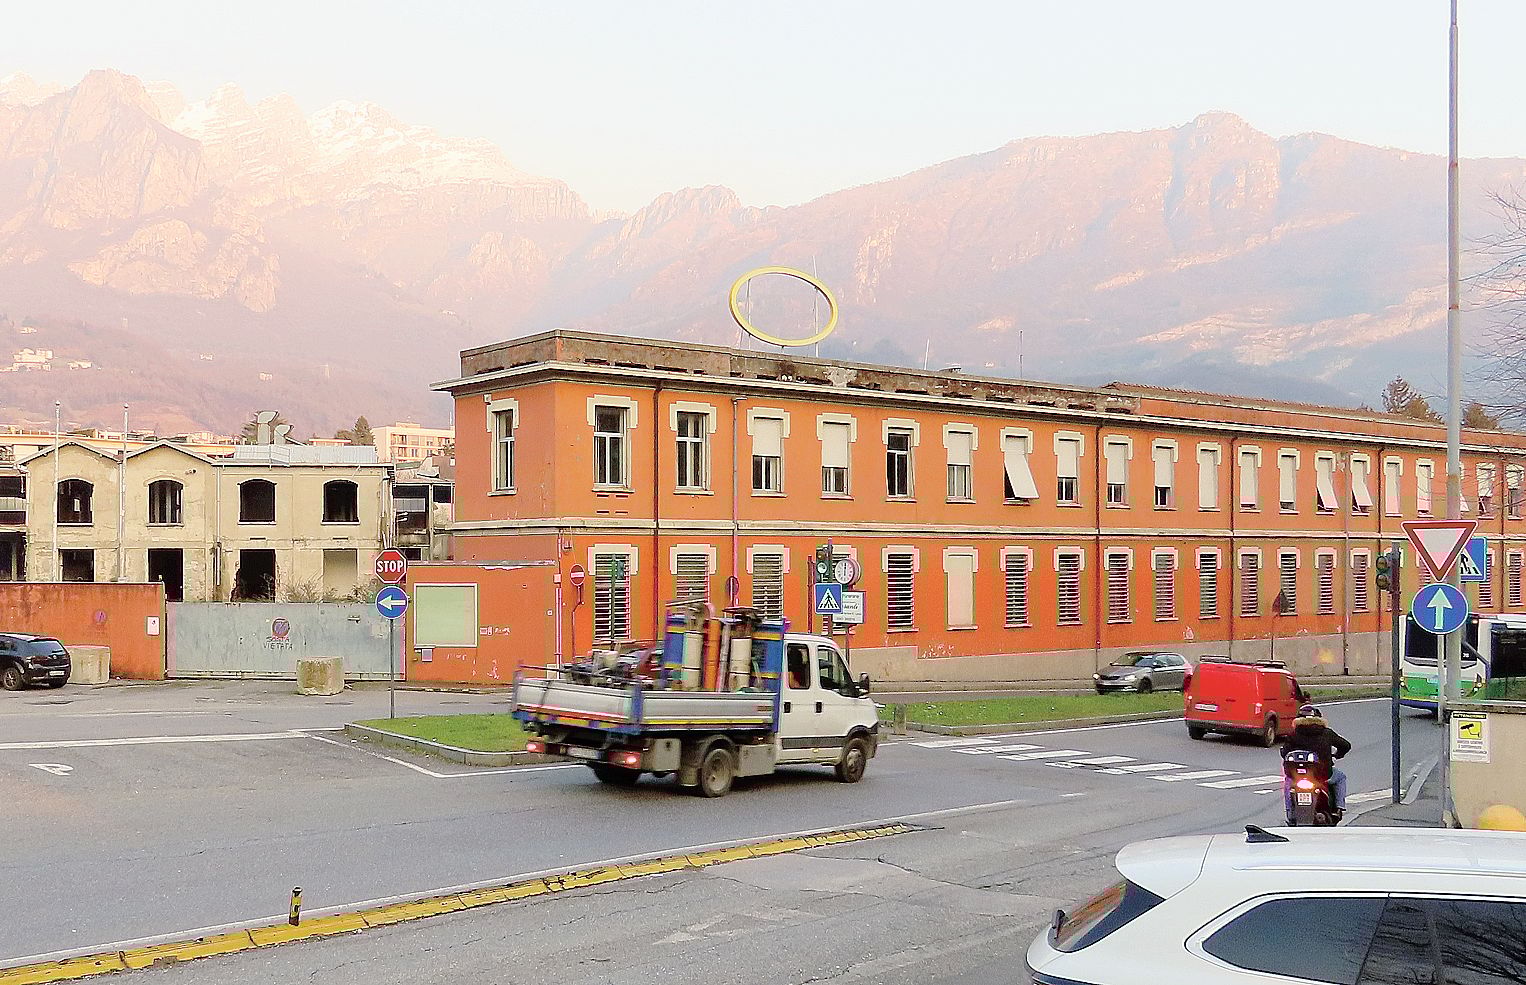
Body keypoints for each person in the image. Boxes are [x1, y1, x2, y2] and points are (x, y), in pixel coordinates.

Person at [1282, 704, 1351, 817]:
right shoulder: (1326, 732)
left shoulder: (1293, 734)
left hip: (1297, 776)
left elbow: (1285, 753)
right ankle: (1339, 808)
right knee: (1340, 778)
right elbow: (1345, 745)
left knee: (1288, 784)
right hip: (1323, 775)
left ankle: (1290, 813)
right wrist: (1338, 754)